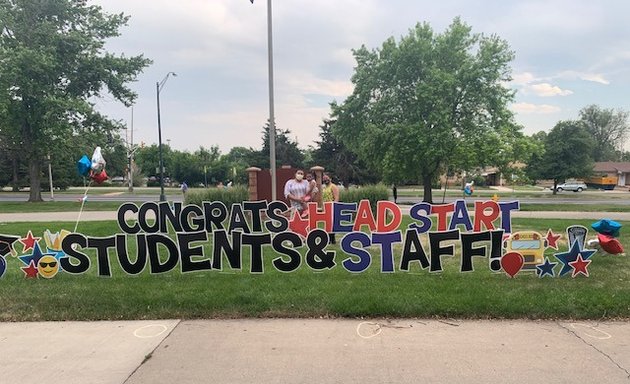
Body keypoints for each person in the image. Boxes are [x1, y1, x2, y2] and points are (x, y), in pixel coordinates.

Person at [321, 173, 340, 243]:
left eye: (327, 178)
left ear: (330, 179)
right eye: (324, 179)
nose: (325, 180)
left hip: (331, 207)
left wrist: (334, 206)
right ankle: (329, 239)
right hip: (325, 207)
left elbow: (336, 198)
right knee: (327, 223)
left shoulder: (333, 186)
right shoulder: (324, 187)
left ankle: (332, 239)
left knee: (331, 223)